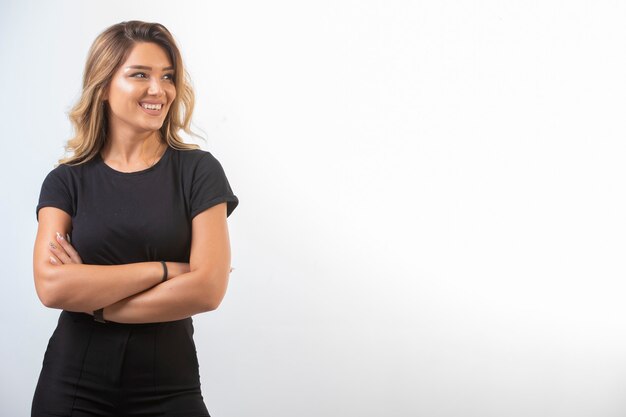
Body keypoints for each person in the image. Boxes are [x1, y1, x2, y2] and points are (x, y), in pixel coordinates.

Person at [31, 20, 239, 417]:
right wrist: (166, 269)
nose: (158, 90)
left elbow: (208, 290)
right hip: (73, 383)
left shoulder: (199, 171)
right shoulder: (65, 181)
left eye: (167, 76)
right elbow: (52, 287)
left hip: (169, 387)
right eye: (139, 75)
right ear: (104, 85)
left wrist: (96, 304)